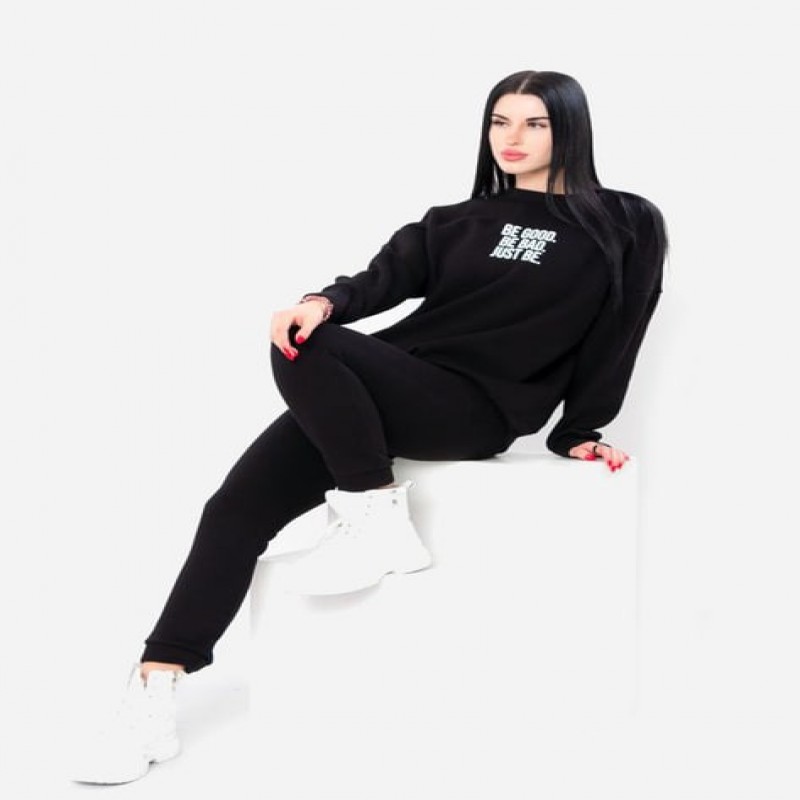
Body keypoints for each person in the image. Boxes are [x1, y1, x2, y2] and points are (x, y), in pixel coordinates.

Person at [70, 68, 668, 784]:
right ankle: (154, 691)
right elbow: (379, 280)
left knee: (310, 344)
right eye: (499, 121)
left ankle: (374, 513)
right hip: (385, 390)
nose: (512, 138)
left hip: (476, 410)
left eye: (534, 123)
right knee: (237, 500)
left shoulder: (626, 221)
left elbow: (622, 328)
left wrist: (579, 429)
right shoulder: (452, 221)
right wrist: (322, 300)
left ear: (570, 128)